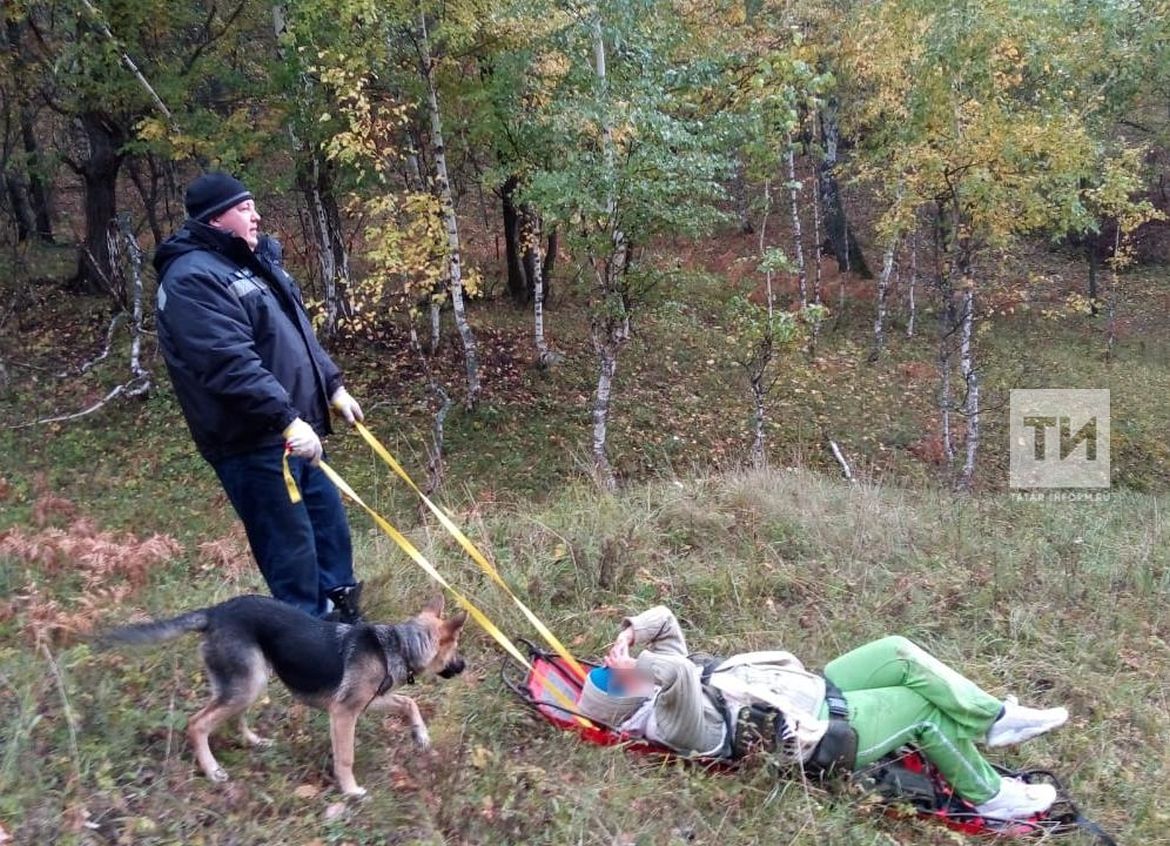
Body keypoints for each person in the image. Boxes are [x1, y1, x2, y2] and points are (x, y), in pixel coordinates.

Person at [577, 606, 1070, 821]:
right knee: (922, 709)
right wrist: (638, 662)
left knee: (898, 651)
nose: (618, 668)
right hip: (826, 732)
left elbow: (664, 620)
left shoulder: (659, 677)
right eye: (617, 678)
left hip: (814, 686)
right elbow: (677, 673)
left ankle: (993, 719)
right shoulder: (670, 719)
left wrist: (630, 633)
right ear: (630, 701)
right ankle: (989, 796)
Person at [154, 172, 366, 622]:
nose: (257, 215)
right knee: (288, 544)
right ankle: (310, 639)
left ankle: (344, 620)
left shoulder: (251, 262)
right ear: (216, 218)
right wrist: (286, 420)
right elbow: (229, 365)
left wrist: (333, 386)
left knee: (328, 525)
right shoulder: (191, 280)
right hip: (254, 442)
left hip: (295, 433)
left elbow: (294, 336)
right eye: (245, 208)